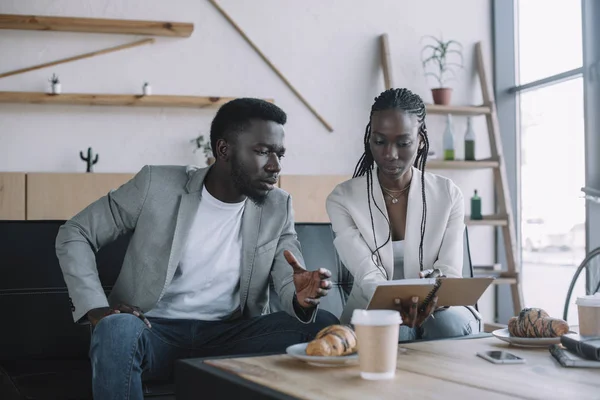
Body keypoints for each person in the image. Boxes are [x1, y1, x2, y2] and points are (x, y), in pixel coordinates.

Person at [56, 98, 338, 399]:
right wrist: (97, 308)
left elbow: (288, 276)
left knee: (323, 326)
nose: (275, 166)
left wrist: (302, 298)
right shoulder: (156, 185)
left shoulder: (278, 205)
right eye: (262, 151)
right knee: (116, 330)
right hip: (151, 330)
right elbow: (76, 231)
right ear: (223, 150)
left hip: (231, 337)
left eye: (279, 154)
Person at [326, 88, 480, 340]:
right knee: (398, 331)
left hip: (439, 309)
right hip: (373, 310)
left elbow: (449, 272)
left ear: (420, 140)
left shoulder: (448, 194)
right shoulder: (342, 198)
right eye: (379, 141)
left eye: (403, 142)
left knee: (447, 326)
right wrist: (401, 308)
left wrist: (435, 286)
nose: (390, 154)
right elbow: (367, 274)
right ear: (369, 138)